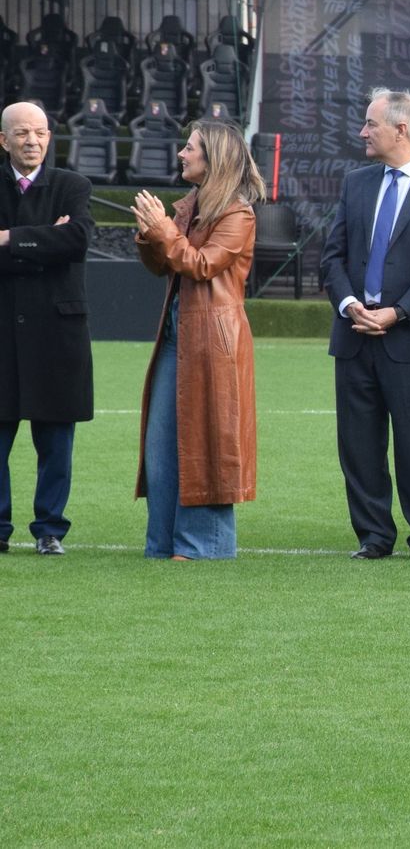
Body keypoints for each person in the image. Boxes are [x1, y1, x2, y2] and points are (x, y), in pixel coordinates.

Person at [321, 88, 410, 561]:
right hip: (354, 336)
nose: (363, 132)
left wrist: (399, 311)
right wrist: (348, 304)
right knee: (358, 446)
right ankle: (373, 535)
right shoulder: (355, 183)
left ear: (400, 129)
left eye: (371, 124)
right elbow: (333, 256)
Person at [130, 121, 264, 559]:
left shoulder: (237, 213)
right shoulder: (191, 206)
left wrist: (163, 231)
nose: (181, 154)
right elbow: (163, 266)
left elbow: (202, 264)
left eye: (190, 148)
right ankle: (163, 543)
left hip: (215, 344)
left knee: (207, 440)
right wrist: (152, 233)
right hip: (178, 337)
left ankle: (202, 546)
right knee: (162, 445)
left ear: (215, 158)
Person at [0, 101, 92, 556]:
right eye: (21, 133)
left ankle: (49, 529)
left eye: (39, 132)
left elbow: (76, 241)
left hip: (57, 335)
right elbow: (59, 242)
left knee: (56, 438)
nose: (31, 140)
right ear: (4, 140)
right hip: (2, 335)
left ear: (50, 137)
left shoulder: (73, 185)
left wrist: (10, 237)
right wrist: (45, 238)